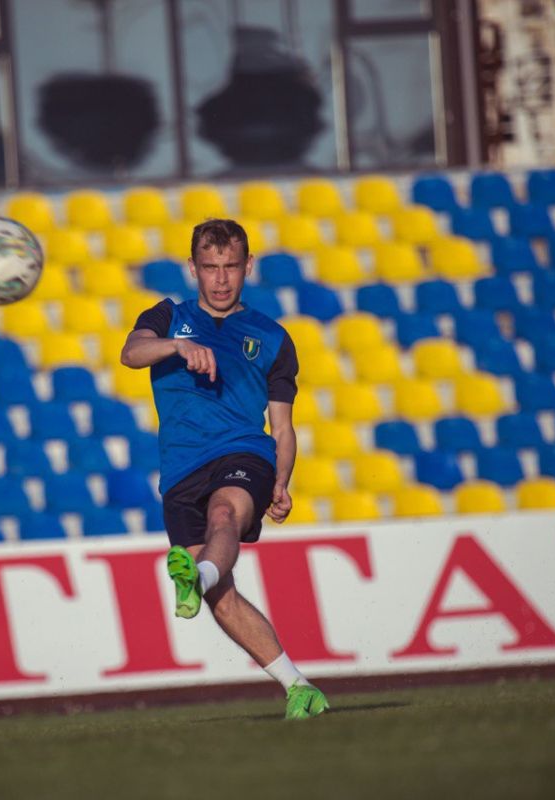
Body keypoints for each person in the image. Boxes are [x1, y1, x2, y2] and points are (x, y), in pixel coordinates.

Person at [120, 218, 328, 720]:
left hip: (242, 453)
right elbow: (131, 353)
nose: (220, 279)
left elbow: (282, 426)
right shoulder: (167, 316)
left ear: (247, 266)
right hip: (179, 470)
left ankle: (197, 574)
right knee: (221, 598)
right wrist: (176, 346)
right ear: (193, 268)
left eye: (231, 266)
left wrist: (281, 480)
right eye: (210, 267)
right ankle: (299, 687)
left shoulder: (272, 338)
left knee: (223, 516)